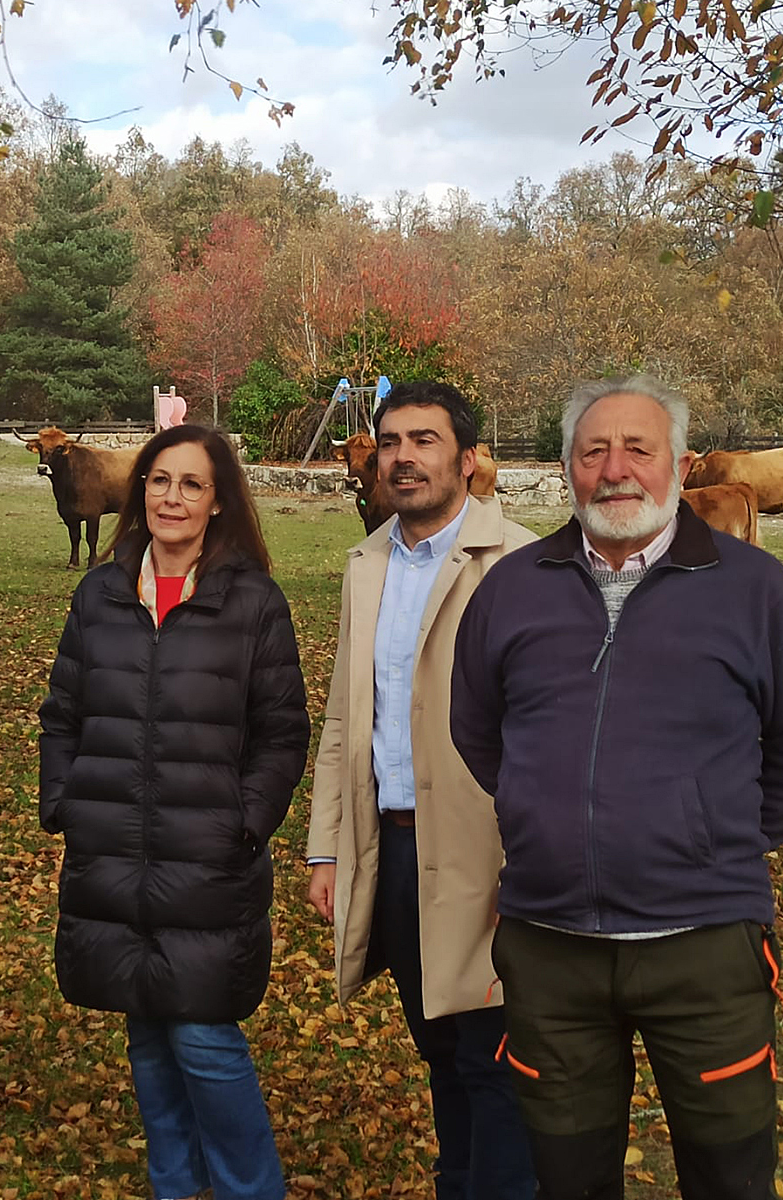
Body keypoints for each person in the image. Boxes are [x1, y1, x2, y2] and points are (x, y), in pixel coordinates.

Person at [449, 377, 783, 1200]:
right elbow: (477, 730)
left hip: (703, 948)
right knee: (567, 1179)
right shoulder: (513, 589)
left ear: (677, 463)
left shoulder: (753, 588)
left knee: (730, 1177)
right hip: (551, 948)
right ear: (568, 469)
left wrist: (722, 832)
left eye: (639, 448)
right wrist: (546, 814)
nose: (616, 469)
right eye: (594, 451)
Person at [37, 424, 310, 1200]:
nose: (172, 497)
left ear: (219, 500)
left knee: (203, 1037)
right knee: (148, 1034)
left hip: (207, 857)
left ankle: (249, 1190)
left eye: (192, 484)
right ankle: (174, 1186)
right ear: (140, 492)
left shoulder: (251, 600)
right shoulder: (101, 592)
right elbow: (63, 713)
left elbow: (283, 732)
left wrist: (246, 821)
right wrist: (64, 803)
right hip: (112, 851)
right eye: (160, 481)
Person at [306, 380, 538, 1198]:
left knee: (494, 1054)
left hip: (490, 857)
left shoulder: (524, 564)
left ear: (467, 461)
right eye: (391, 441)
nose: (404, 457)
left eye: (425, 441)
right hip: (392, 847)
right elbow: (342, 717)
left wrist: (537, 867)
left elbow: (549, 734)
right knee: (438, 1041)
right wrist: (328, 845)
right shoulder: (366, 564)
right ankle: (460, 1179)